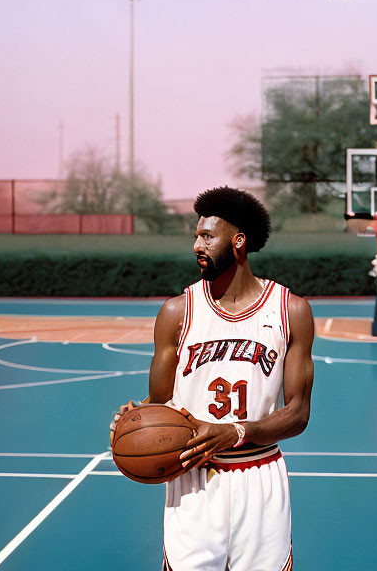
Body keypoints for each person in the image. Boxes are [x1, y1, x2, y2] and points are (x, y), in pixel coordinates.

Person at [112, 187, 314, 571]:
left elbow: (299, 413)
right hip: (194, 479)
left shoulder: (291, 311)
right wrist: (133, 419)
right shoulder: (176, 312)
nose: (196, 245)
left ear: (238, 242)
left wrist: (235, 431)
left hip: (259, 475)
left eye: (207, 236)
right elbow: (157, 403)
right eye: (195, 236)